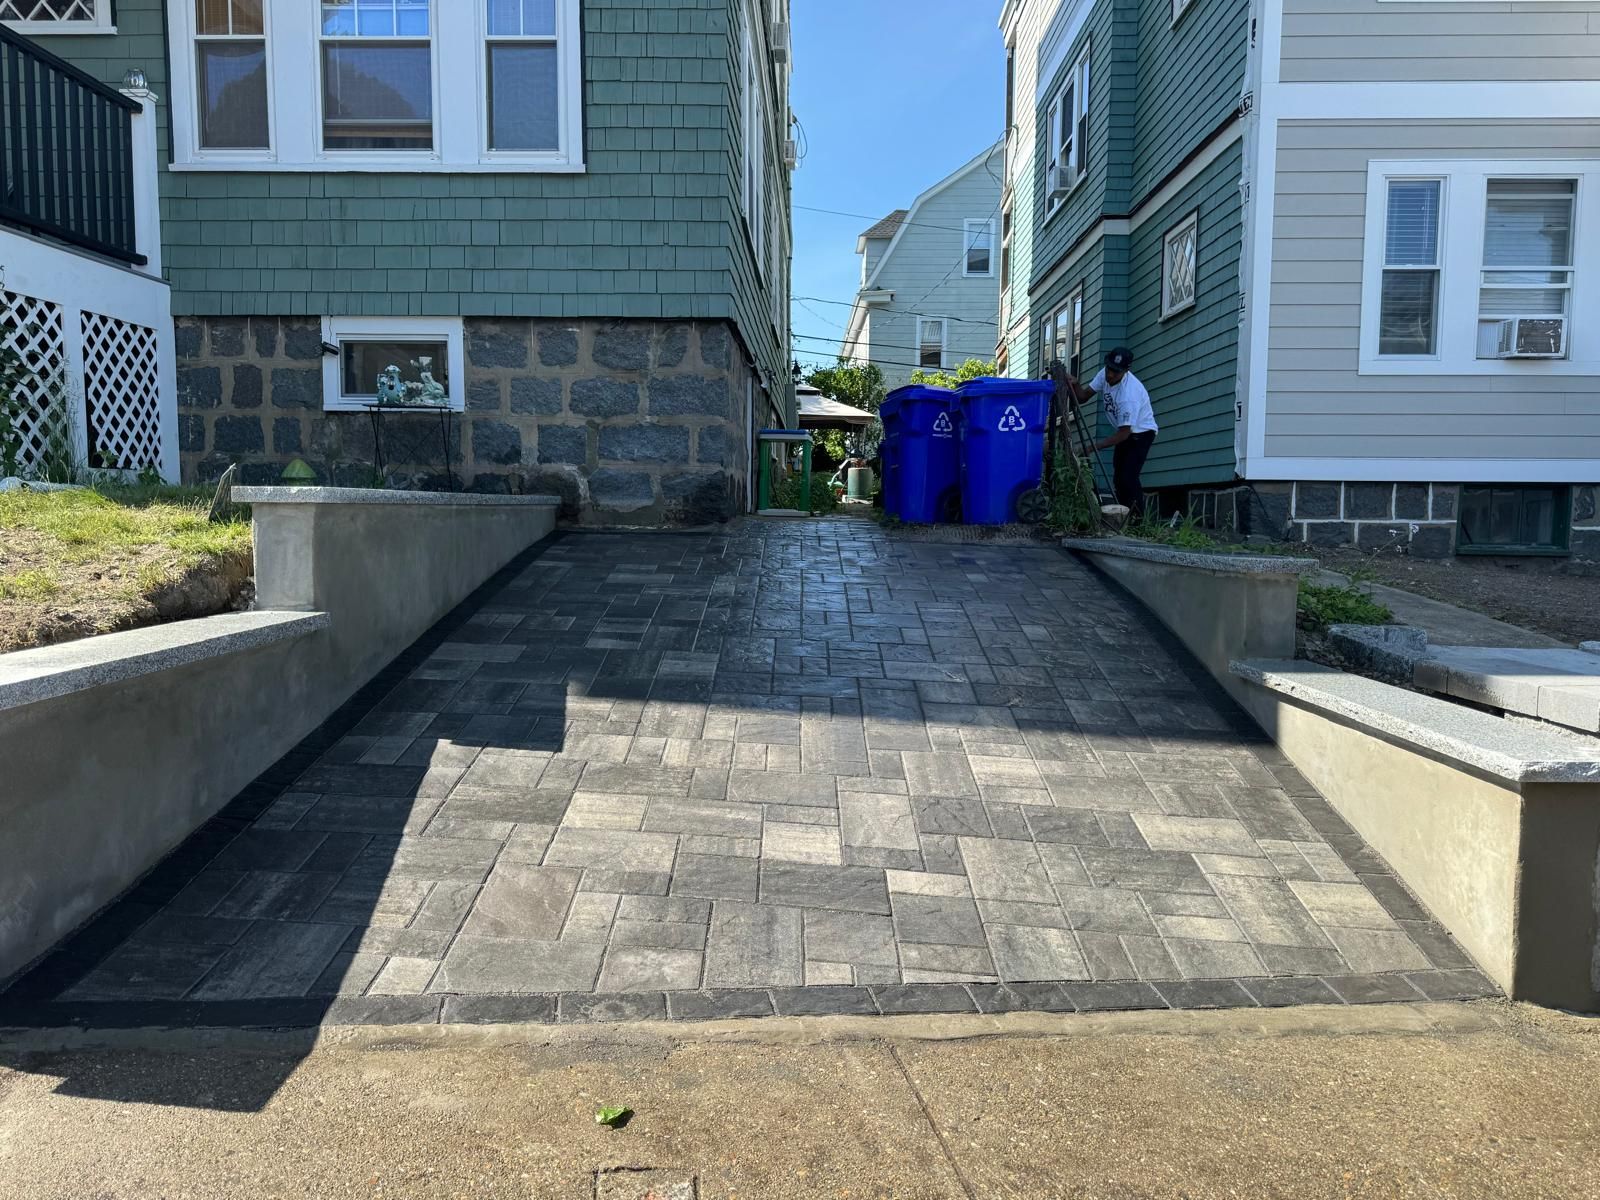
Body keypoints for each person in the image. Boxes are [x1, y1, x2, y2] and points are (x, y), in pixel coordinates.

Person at [1063, 347, 1159, 520]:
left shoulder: (1129, 395)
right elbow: (1083, 397)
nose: (1110, 375)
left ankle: (1138, 521)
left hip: (1141, 433)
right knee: (1118, 478)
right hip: (1125, 431)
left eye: (1116, 372)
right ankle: (1123, 518)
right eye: (1109, 369)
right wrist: (1075, 384)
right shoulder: (1104, 374)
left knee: (1128, 477)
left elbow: (1124, 434)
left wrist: (1091, 447)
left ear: (1126, 371)